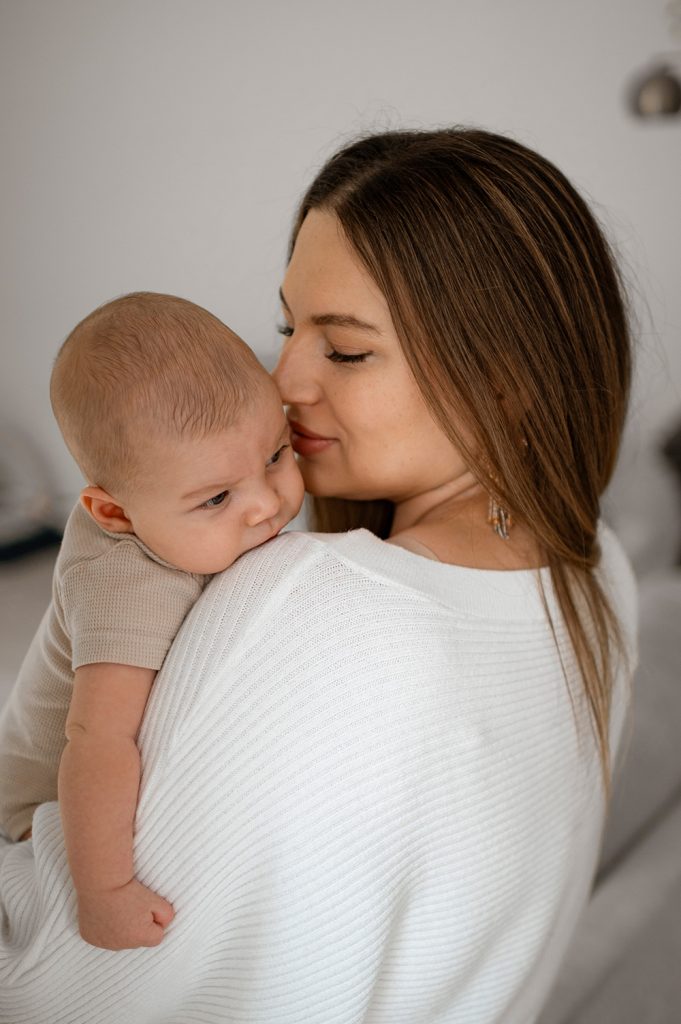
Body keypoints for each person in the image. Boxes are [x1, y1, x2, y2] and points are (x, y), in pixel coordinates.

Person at [0, 128, 637, 1024]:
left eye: (343, 350)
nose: (284, 377)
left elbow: (60, 989)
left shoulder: (316, 610)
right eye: (285, 327)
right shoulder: (600, 571)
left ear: (503, 385)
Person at [0, 292, 304, 950]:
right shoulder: (126, 587)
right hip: (35, 803)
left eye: (276, 455)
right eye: (218, 497)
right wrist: (103, 890)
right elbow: (98, 742)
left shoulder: (175, 500)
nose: (265, 504)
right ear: (114, 515)